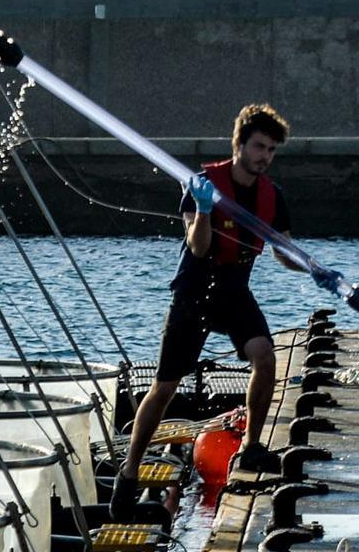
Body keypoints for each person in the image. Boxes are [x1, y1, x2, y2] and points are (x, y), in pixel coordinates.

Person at [112, 104, 298, 517]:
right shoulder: (203, 185)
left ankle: (251, 448)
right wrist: (206, 210)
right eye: (259, 147)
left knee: (265, 357)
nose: (265, 157)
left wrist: (314, 267)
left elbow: (285, 251)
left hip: (234, 291)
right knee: (164, 387)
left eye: (271, 150)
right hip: (195, 291)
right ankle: (128, 475)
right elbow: (197, 246)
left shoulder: (272, 195)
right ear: (240, 145)